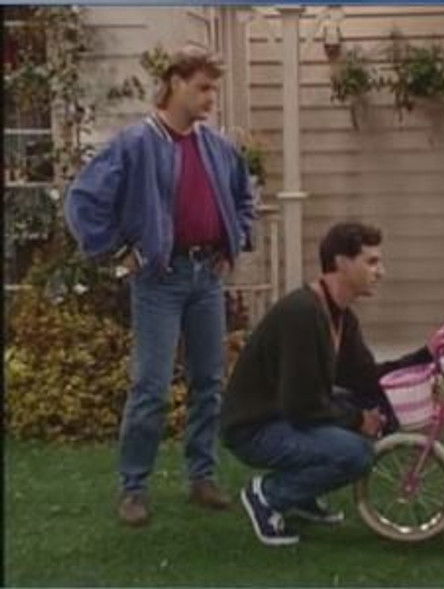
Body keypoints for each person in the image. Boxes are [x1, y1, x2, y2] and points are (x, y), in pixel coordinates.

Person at [65, 45, 255, 526]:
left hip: (206, 277)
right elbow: (84, 199)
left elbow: (243, 196)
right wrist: (118, 251)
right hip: (159, 279)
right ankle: (134, 487)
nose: (210, 98)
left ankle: (202, 476)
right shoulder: (136, 143)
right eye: (202, 88)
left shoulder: (217, 147)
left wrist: (234, 242)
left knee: (209, 381)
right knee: (150, 386)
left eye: (213, 89)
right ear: (174, 84)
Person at [221, 221, 429, 546]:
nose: (381, 272)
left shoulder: (340, 315)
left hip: (286, 415)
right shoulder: (303, 313)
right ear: (342, 262)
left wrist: (427, 354)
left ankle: (302, 496)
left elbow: (365, 378)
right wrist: (358, 420)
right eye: (371, 262)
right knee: (356, 454)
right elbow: (301, 404)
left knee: (371, 409)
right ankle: (268, 496)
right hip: (255, 427)